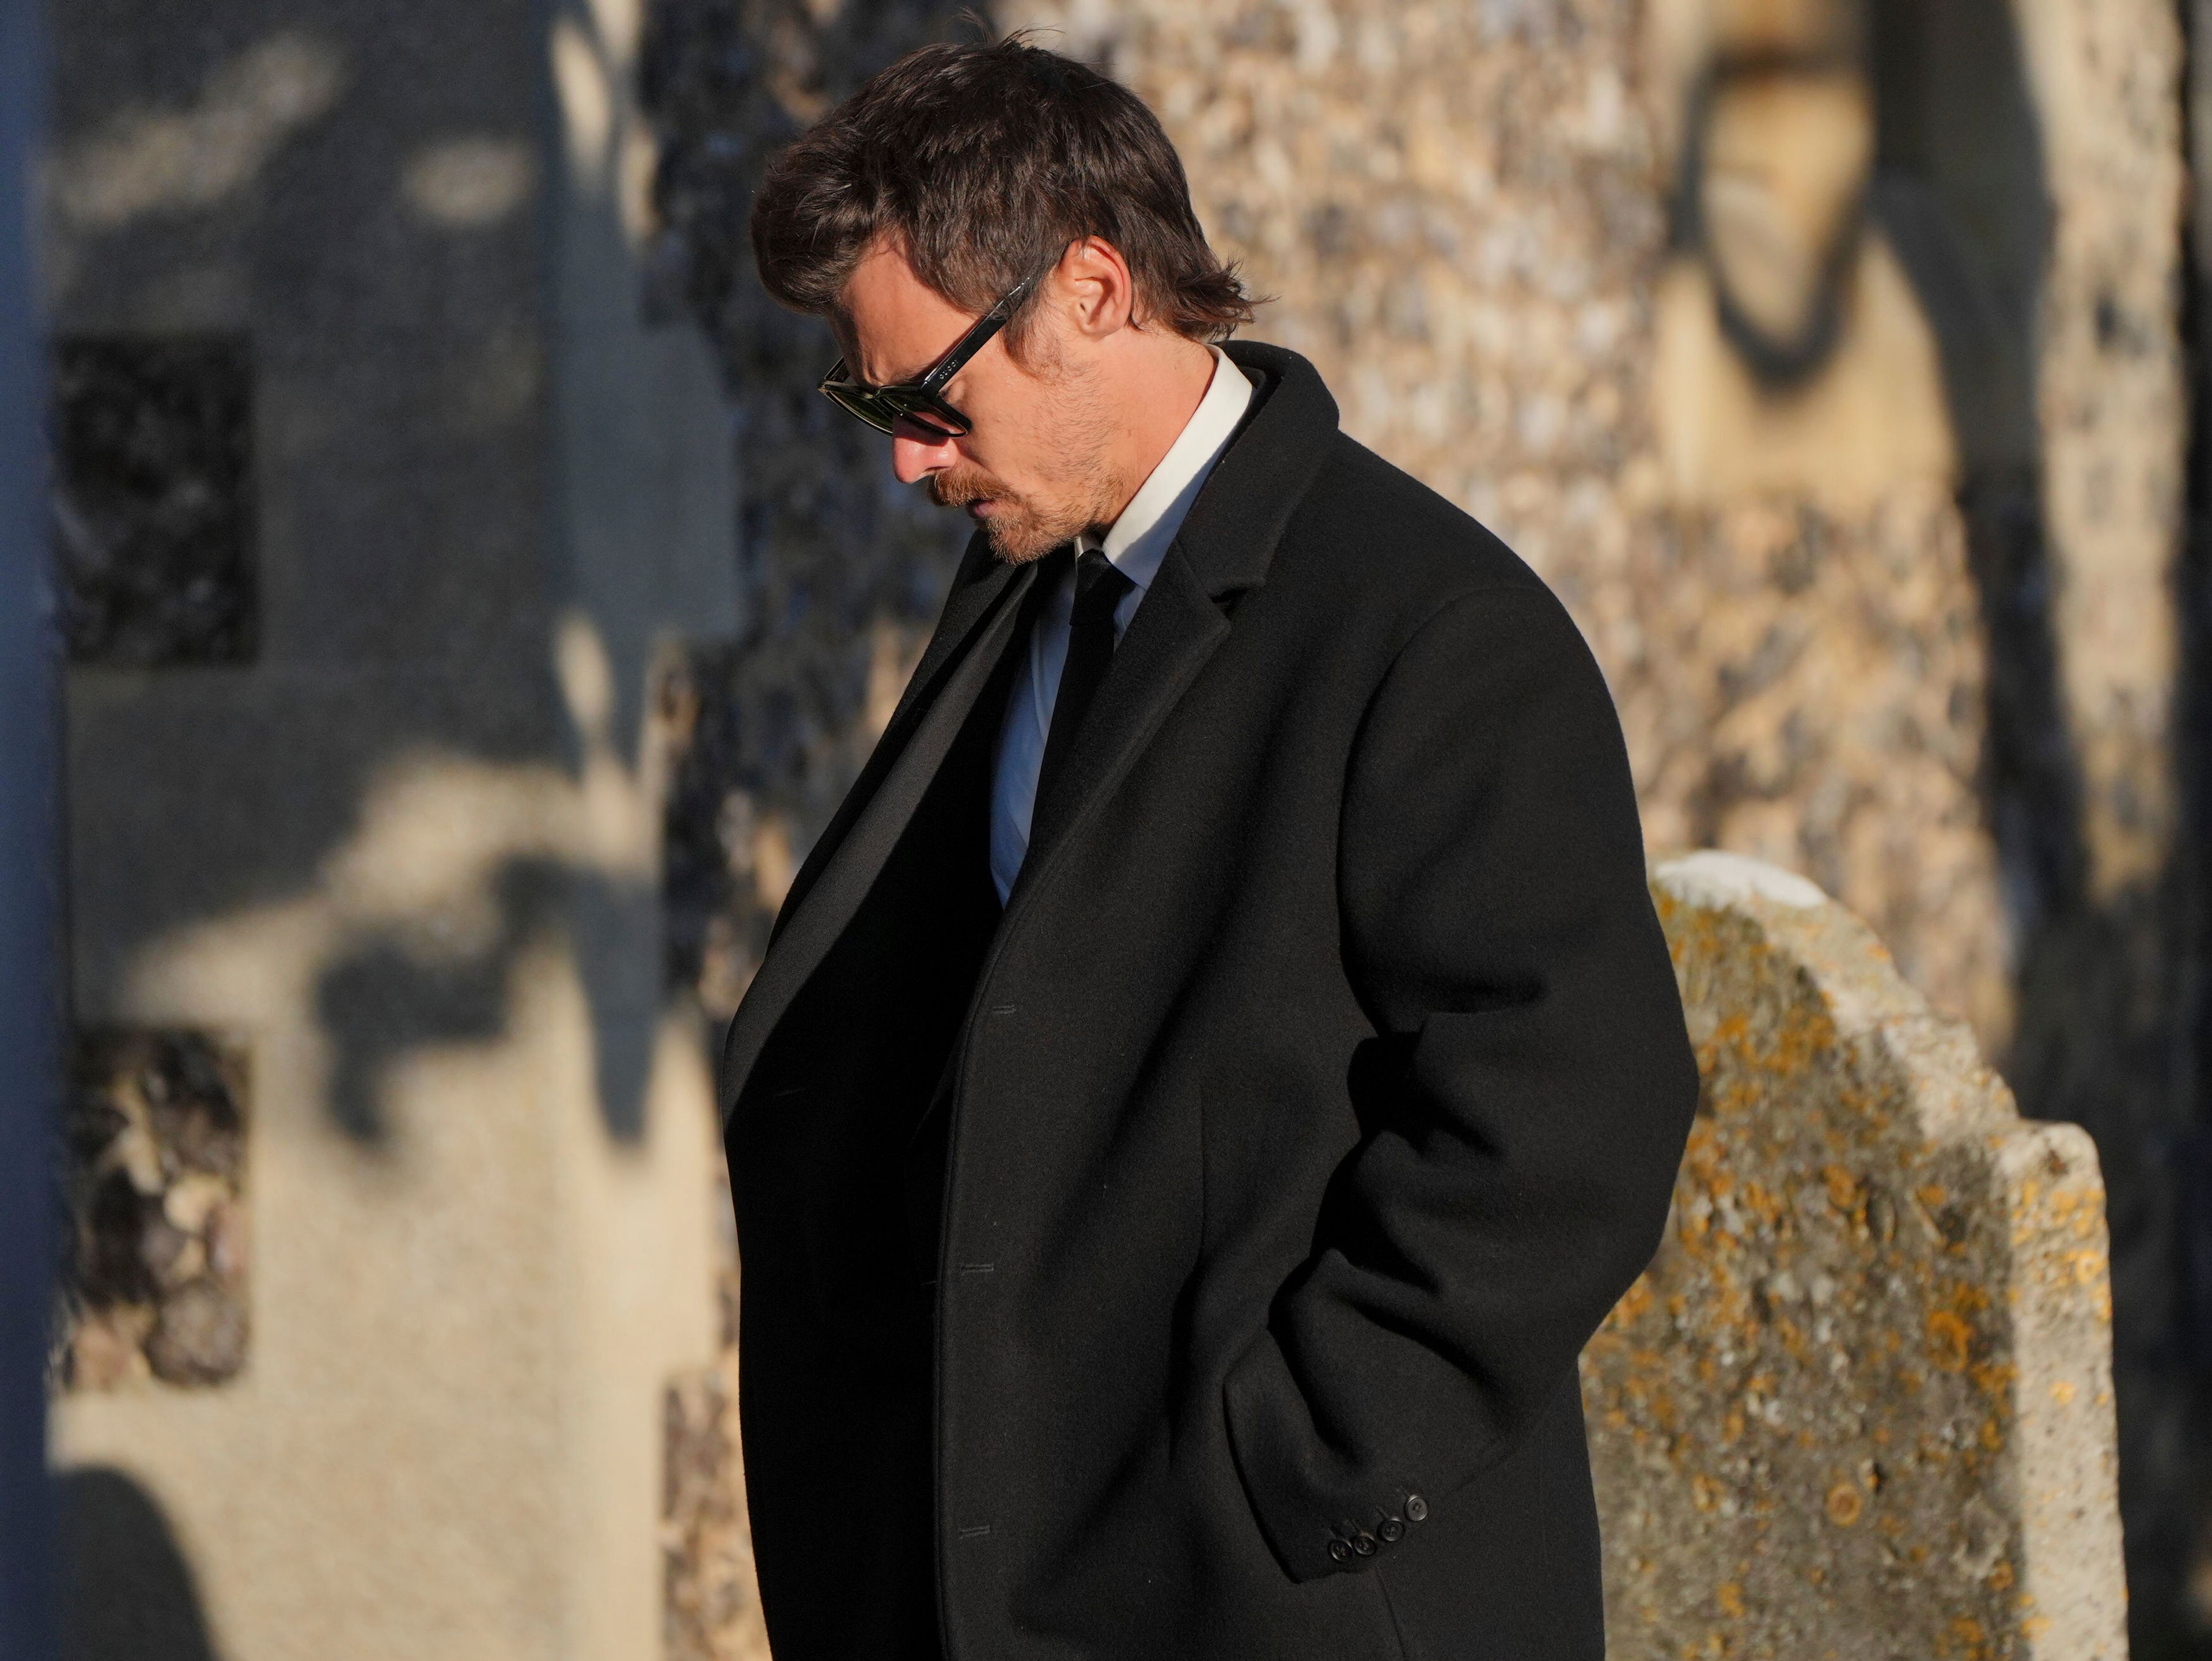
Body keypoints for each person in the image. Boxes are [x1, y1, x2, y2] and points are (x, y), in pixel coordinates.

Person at [719, 36, 1698, 1661]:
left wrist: (1297, 1463)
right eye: (866, 400)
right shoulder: (1033, 586)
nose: (904, 456)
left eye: (923, 396)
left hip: (1290, 1607)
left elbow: (1571, 1110)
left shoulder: (1434, 630)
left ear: (1094, 288)